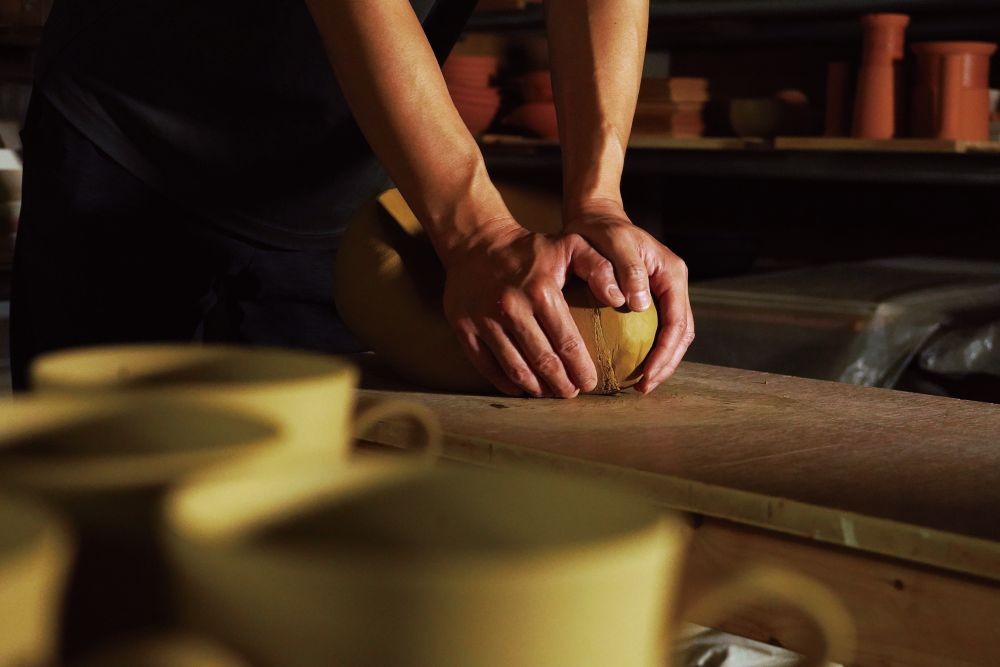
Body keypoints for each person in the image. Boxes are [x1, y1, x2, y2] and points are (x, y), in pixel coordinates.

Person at [10, 0, 694, 398]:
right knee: (97, 513)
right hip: (133, 136)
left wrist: (598, 200)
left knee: (316, 512)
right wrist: (479, 232)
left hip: (336, 173)